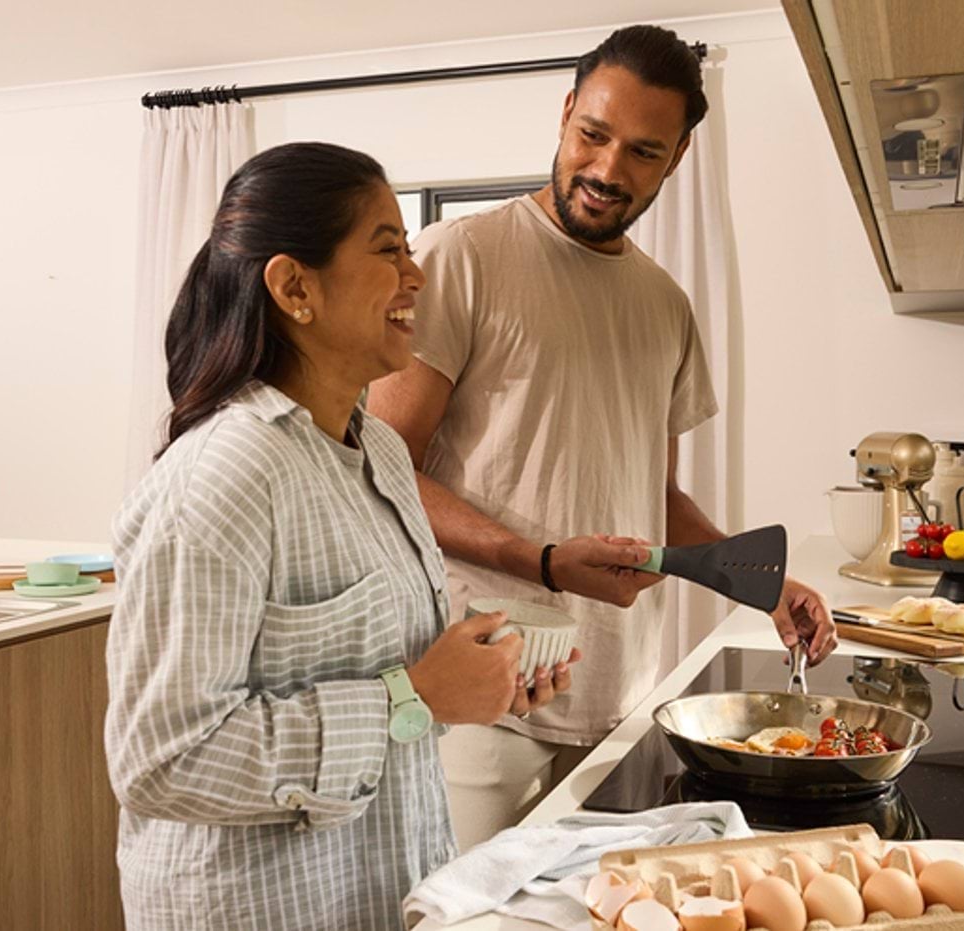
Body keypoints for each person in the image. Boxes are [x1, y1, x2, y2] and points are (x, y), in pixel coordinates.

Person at [367, 25, 838, 848]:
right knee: (463, 909)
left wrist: (761, 582)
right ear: (565, 114)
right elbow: (383, 468)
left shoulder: (666, 304)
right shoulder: (462, 256)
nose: (608, 170)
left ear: (677, 157)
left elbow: (651, 494)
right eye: (593, 134)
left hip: (622, 696)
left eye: (644, 151)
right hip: (488, 699)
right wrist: (543, 560)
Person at [105, 142, 580, 930]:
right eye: (388, 250)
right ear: (295, 287)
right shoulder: (222, 476)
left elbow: (389, 685)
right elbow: (162, 757)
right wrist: (413, 695)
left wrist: (471, 681)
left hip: (375, 894)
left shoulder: (382, 452)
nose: (416, 276)